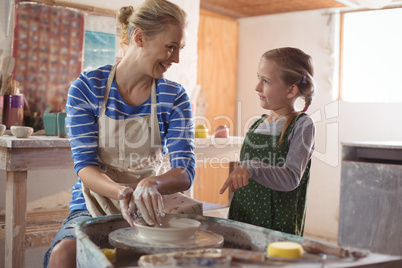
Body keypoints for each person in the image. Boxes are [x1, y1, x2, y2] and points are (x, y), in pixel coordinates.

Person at [44, 1, 201, 267]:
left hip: (149, 205)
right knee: (64, 255)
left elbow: (184, 171)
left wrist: (152, 184)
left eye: (180, 49)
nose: (176, 59)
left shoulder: (174, 96)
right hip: (92, 203)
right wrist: (121, 192)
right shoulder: (87, 88)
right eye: (171, 47)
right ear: (139, 37)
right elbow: (85, 168)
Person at [219, 47, 315, 236]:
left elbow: (291, 178)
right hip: (242, 216)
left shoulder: (302, 124)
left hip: (276, 225)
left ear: (291, 90)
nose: (257, 87)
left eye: (266, 81)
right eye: (258, 78)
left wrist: (251, 167)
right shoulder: (256, 123)